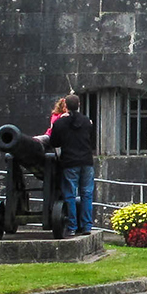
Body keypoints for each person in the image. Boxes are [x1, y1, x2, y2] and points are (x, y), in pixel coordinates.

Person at [48, 93, 95, 237]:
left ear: (66, 106)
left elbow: (54, 142)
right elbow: (90, 138)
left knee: (69, 194)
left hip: (70, 162)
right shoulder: (87, 121)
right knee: (87, 194)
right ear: (79, 105)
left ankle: (72, 226)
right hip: (86, 161)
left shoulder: (60, 123)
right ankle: (87, 226)